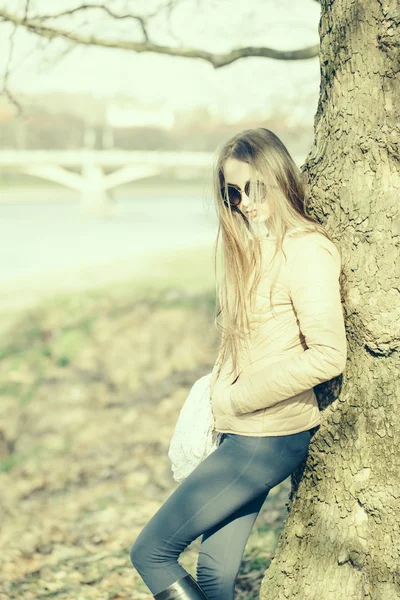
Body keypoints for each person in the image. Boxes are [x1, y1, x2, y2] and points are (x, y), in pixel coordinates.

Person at [129, 127, 347, 600]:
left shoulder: (307, 250)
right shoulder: (254, 250)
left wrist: (237, 397)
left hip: (265, 439)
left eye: (254, 187)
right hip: (245, 433)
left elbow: (329, 355)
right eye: (232, 192)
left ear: (279, 177)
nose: (244, 201)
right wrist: (217, 400)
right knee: (215, 577)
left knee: (151, 553)